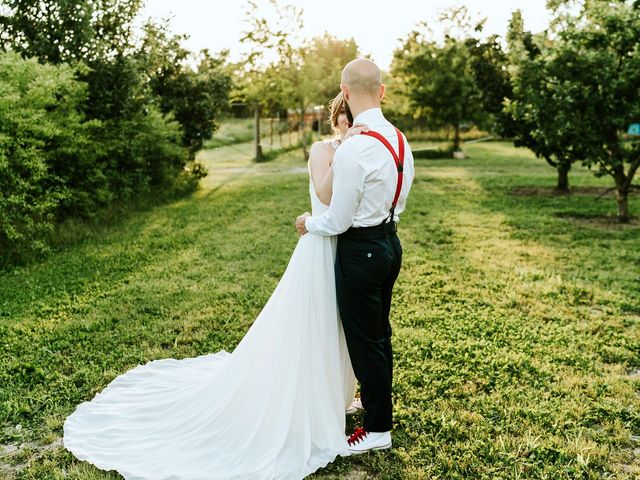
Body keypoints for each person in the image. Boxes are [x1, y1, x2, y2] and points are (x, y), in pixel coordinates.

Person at [62, 90, 368, 480]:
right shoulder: (323, 150)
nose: (348, 122)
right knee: (315, 324)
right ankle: (308, 399)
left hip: (344, 247)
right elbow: (325, 193)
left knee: (339, 326)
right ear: (335, 119)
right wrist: (344, 147)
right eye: (344, 116)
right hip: (319, 248)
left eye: (352, 117)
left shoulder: (357, 151)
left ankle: (337, 397)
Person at [296, 58, 415, 454]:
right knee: (379, 333)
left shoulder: (356, 148)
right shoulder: (400, 140)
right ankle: (374, 401)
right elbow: (398, 201)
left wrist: (309, 224)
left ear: (344, 93)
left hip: (360, 250)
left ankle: (378, 428)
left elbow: (337, 218)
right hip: (390, 245)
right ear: (382, 91)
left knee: (365, 340)